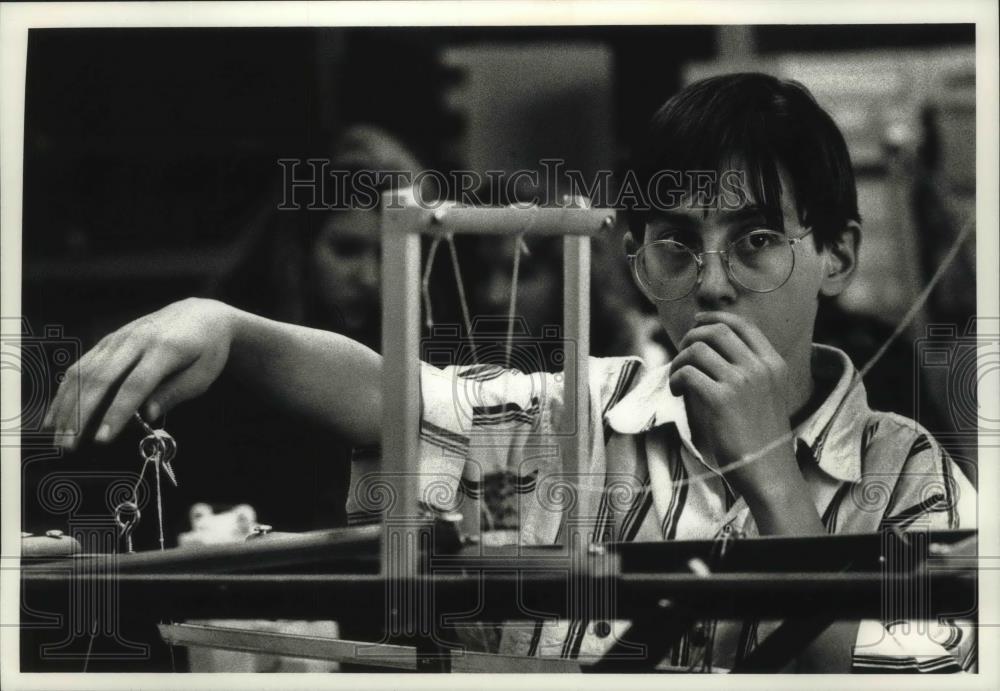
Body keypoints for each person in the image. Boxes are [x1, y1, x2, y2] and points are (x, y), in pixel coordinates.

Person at [44, 73, 976, 673]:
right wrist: (230, 328)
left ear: (840, 256)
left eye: (759, 241)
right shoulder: (576, 414)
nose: (716, 284)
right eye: (677, 247)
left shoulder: (917, 486)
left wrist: (777, 489)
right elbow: (390, 398)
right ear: (640, 265)